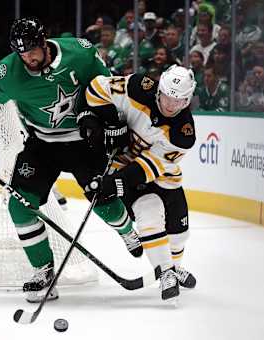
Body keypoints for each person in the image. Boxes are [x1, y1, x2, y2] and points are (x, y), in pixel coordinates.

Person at [0, 17, 143, 303]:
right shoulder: (8, 72)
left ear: (44, 42)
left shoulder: (80, 52)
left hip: (85, 139)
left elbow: (108, 87)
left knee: (102, 200)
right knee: (19, 206)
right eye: (22, 52)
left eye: (32, 50)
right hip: (42, 145)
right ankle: (42, 269)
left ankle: (127, 229)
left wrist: (111, 120)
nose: (28, 57)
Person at [84, 65, 198, 302]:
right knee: (149, 212)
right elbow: (95, 89)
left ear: (187, 100)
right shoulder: (137, 87)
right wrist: (108, 121)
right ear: (159, 89)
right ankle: (165, 271)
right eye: (167, 97)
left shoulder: (183, 134)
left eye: (178, 102)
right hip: (125, 165)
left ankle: (175, 268)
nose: (170, 105)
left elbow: (150, 166)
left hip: (162, 176)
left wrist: (116, 183)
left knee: (179, 233)